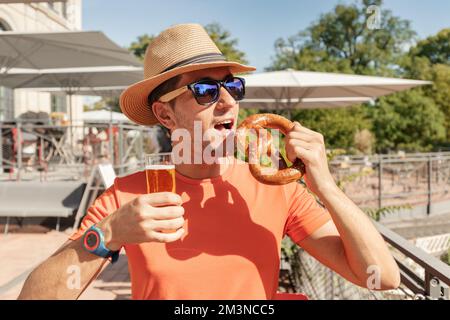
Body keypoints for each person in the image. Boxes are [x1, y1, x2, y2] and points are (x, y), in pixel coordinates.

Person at [18, 23, 400, 300]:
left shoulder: (276, 187)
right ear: (165, 116)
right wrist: (107, 234)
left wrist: (327, 188)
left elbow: (379, 278)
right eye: (204, 90)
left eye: (232, 86)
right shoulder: (126, 198)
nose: (228, 101)